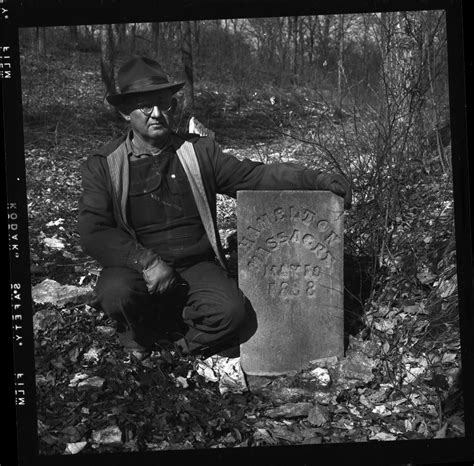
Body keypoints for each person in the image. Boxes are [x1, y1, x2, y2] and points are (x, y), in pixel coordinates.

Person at [78, 56, 352, 359]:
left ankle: (176, 350)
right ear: (125, 112)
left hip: (195, 265)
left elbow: (254, 176)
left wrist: (316, 180)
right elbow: (93, 231)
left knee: (232, 313)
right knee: (115, 291)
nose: (157, 114)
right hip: (138, 268)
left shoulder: (198, 153)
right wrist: (146, 261)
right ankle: (137, 337)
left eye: (165, 104)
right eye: (146, 107)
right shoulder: (104, 164)